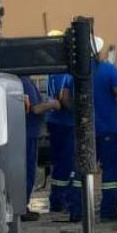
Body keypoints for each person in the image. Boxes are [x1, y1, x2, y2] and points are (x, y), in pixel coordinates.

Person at [45, 31, 81, 221]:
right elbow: (64, 99)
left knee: (58, 163)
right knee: (65, 164)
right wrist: (78, 111)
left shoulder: (51, 70)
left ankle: (56, 200)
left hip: (53, 121)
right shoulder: (64, 71)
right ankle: (60, 200)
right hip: (65, 122)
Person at [92, 35, 117, 220]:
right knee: (111, 171)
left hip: (85, 131)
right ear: (99, 51)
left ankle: (77, 211)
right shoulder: (108, 70)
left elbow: (66, 98)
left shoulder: (75, 74)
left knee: (83, 170)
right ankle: (108, 212)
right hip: (108, 128)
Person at [20, 75, 60, 222]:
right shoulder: (25, 82)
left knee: (26, 171)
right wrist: (53, 104)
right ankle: (22, 207)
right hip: (28, 133)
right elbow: (35, 108)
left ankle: (22, 206)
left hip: (24, 132)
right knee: (27, 171)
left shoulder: (21, 80)